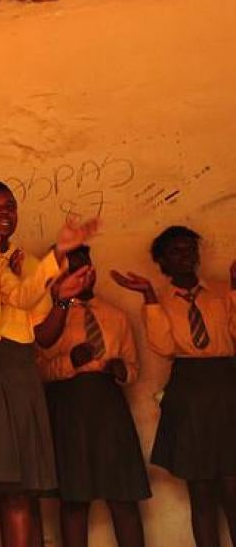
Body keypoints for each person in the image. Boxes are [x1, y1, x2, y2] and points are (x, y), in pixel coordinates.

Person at [0, 180, 98, 547]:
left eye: (10, 205)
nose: (5, 212)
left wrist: (61, 299)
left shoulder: (30, 265)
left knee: (21, 487)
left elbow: (43, 336)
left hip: (19, 369)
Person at [112, 226, 236, 547]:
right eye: (175, 252)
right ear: (162, 262)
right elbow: (165, 347)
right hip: (190, 394)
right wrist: (149, 297)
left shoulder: (223, 292)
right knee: (202, 492)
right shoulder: (161, 302)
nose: (185, 257)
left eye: (189, 250)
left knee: (232, 488)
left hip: (228, 388)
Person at [36, 245, 150, 547]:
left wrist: (121, 371)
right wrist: (69, 362)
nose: (81, 275)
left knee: (123, 495)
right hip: (68, 408)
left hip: (109, 409)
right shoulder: (48, 319)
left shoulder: (116, 316)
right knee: (74, 499)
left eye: (85, 267)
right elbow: (39, 371)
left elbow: (134, 366)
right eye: (71, 270)